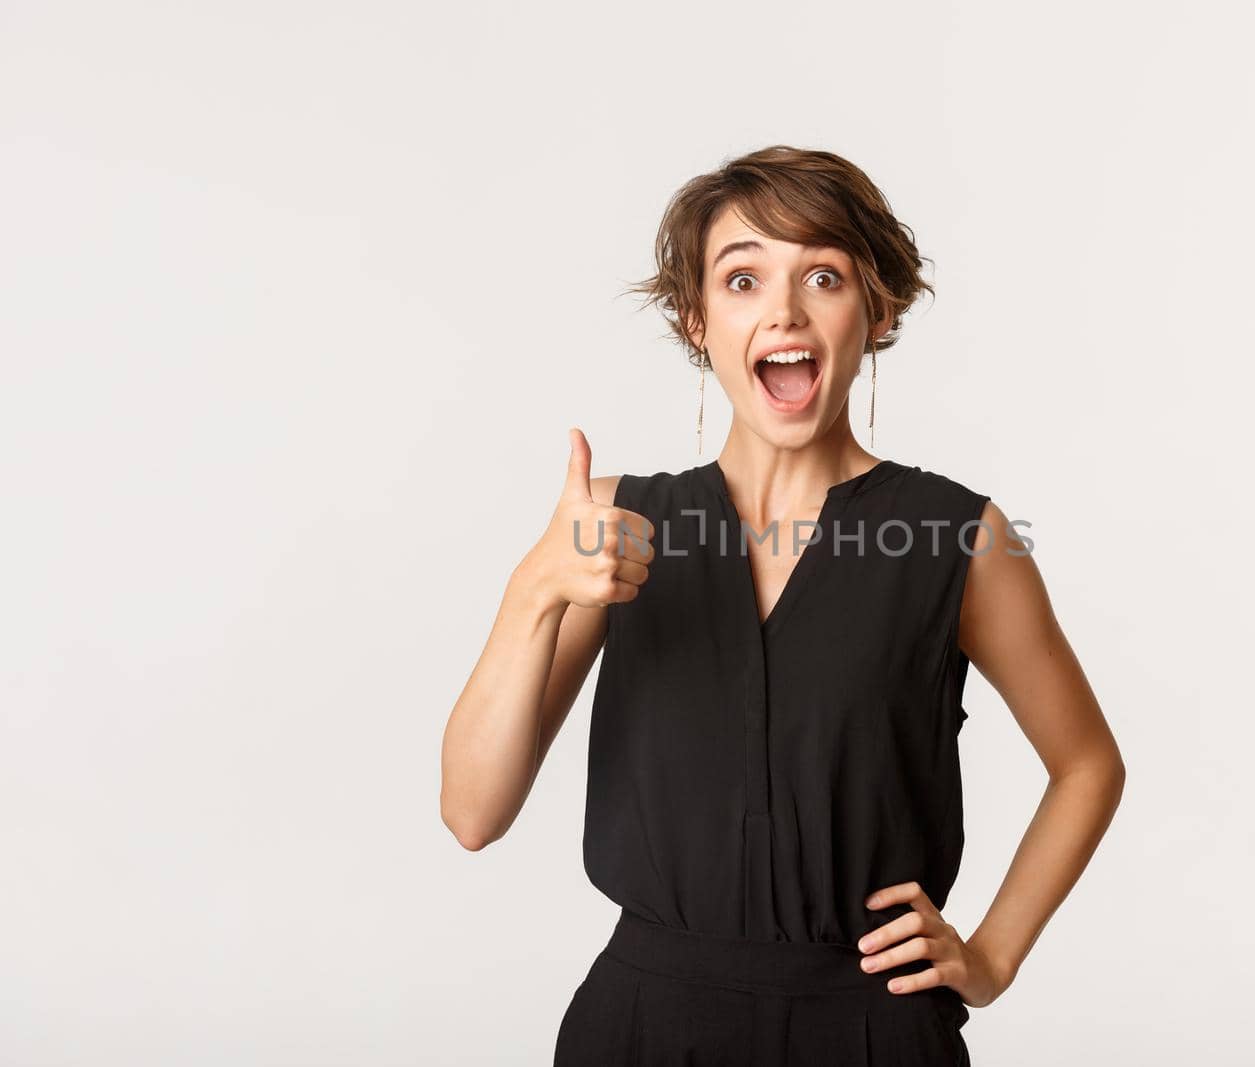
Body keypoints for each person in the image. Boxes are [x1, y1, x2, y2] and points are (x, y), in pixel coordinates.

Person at [439, 145, 1126, 1065]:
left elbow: (1087, 764)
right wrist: (533, 593)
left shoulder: (961, 539)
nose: (784, 310)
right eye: (743, 279)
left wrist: (992, 955)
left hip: (873, 1031)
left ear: (875, 310)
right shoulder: (613, 524)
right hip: (643, 1029)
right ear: (697, 321)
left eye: (823, 275)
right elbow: (472, 814)